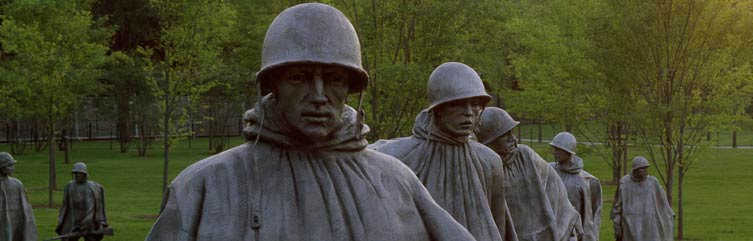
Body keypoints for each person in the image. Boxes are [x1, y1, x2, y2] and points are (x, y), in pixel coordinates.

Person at [145, 3, 475, 240]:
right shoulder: (205, 186)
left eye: (334, 79)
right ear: (272, 85)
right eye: (299, 77)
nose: (318, 95)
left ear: (350, 88)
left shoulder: (396, 181)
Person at [371, 62, 517, 241]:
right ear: (438, 109)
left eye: (475, 104)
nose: (469, 113)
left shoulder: (489, 161)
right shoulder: (401, 157)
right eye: (458, 104)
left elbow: (498, 225)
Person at [476, 107, 582, 241]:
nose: (512, 138)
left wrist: (567, 223)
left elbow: (555, 189)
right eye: (505, 134)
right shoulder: (482, 166)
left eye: (511, 132)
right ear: (490, 140)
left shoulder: (526, 156)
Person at [548, 132, 602, 241]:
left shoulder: (586, 182)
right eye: (554, 148)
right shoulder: (549, 171)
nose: (555, 152)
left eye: (559, 149)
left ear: (569, 152)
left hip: (572, 234)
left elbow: (589, 218)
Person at [610, 156, 673, 241]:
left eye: (646, 168)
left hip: (649, 224)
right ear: (635, 169)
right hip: (630, 225)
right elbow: (617, 206)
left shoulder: (652, 182)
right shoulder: (624, 183)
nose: (646, 171)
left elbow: (663, 202)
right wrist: (617, 223)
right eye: (643, 169)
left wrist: (669, 214)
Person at [56, 162, 108, 241]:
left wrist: (85, 226)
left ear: (84, 174)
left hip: (89, 224)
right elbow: (65, 205)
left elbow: (91, 210)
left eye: (79, 173)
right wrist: (61, 220)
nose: (77, 175)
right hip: (73, 222)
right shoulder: (69, 186)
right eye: (75, 173)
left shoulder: (89, 188)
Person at [0, 152, 37, 241]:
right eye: (10, 166)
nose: (13, 168)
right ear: (2, 167)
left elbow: (25, 207)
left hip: (15, 221)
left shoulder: (17, 184)